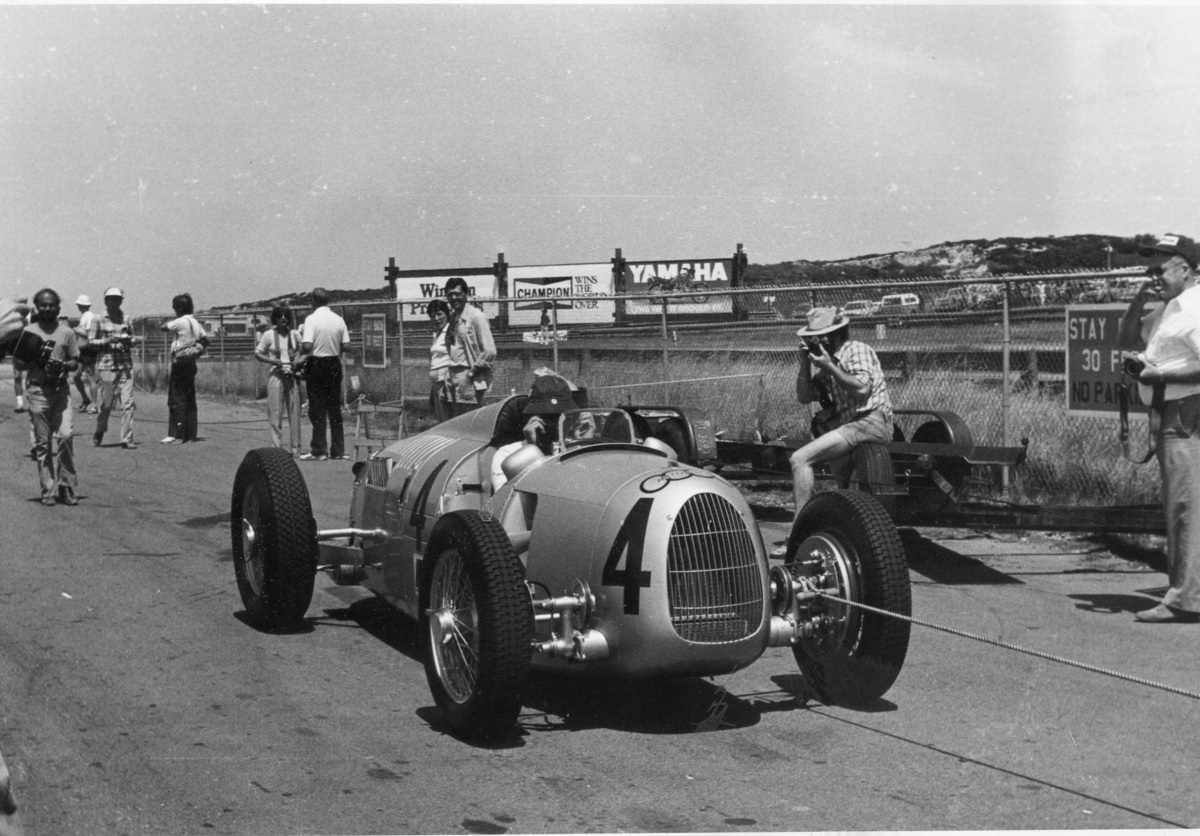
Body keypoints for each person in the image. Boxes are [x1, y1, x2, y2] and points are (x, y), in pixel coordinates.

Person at [1119, 233, 1200, 623]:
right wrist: (1140, 296)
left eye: (1161, 270)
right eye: (1149, 270)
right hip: (1173, 410)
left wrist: (1159, 375)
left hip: (1187, 410)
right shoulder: (1170, 308)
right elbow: (1124, 337)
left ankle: (1185, 600)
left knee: (1186, 507)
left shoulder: (1194, 308)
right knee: (1183, 505)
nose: (1154, 277)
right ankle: (1187, 594)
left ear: (1185, 269)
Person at [788, 306, 894, 522]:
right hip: (851, 426)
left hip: (869, 422)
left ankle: (799, 527)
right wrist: (805, 362)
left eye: (819, 337)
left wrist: (830, 367)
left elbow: (862, 389)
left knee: (800, 460)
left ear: (834, 335)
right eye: (811, 338)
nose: (816, 342)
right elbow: (805, 396)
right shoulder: (831, 363)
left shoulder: (855, 350)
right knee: (845, 485)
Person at [19, 289, 80, 506]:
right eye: (43, 305)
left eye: (51, 304)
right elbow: (19, 364)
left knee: (66, 436)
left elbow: (75, 361)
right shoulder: (28, 332)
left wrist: (63, 365)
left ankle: (66, 486)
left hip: (60, 391)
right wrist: (38, 360)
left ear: (58, 308)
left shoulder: (67, 332)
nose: (47, 308)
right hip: (38, 392)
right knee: (43, 444)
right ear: (37, 307)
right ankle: (48, 489)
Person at [490, 374, 577, 490]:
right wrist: (533, 449)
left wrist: (589, 446)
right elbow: (506, 498)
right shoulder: (507, 455)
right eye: (549, 417)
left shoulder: (575, 450)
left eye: (563, 417)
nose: (556, 424)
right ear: (533, 418)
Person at [296, 287, 350, 461]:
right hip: (334, 363)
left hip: (317, 364)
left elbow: (307, 346)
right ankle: (338, 450)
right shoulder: (339, 319)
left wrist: (300, 347)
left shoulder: (311, 319)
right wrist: (332, 345)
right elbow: (347, 346)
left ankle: (319, 450)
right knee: (334, 409)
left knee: (317, 408)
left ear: (313, 301)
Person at [87, 286, 142, 450]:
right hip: (107, 366)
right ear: (106, 301)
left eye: (118, 299)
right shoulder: (98, 319)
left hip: (125, 365)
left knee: (128, 403)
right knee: (107, 403)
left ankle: (127, 438)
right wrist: (107, 341)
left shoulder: (126, 319)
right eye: (112, 299)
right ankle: (100, 428)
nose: (115, 302)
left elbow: (132, 339)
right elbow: (91, 341)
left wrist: (129, 341)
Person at [254, 304, 303, 455]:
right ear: (275, 318)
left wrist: (299, 362)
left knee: (295, 413)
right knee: (275, 413)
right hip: (276, 375)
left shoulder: (295, 334)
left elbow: (305, 351)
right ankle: (276, 448)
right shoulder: (269, 334)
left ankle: (296, 448)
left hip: (292, 376)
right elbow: (258, 353)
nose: (283, 319)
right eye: (280, 316)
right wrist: (272, 361)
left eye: (286, 316)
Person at [443, 276, 497, 416]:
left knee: (468, 421)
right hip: (452, 376)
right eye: (450, 295)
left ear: (466, 294)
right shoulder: (454, 318)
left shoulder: (476, 317)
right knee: (456, 421)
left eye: (457, 294)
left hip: (468, 376)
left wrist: (471, 373)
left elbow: (490, 351)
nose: (454, 298)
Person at [159, 292, 207, 444]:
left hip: (179, 363)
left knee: (176, 398)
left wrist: (172, 322)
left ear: (178, 308)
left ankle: (177, 434)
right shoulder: (196, 322)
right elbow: (205, 338)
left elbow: (164, 327)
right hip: (191, 363)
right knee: (189, 397)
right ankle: (190, 433)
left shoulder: (180, 321)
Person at [426, 298, 453, 424]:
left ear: (447, 314)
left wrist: (448, 381)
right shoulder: (437, 334)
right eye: (433, 316)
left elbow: (454, 357)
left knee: (447, 421)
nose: (436, 318)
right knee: (440, 421)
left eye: (439, 314)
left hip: (445, 382)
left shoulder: (450, 332)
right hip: (436, 383)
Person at [71, 294, 98, 413]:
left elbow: (90, 335)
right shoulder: (84, 316)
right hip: (82, 350)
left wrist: (76, 330)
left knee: (90, 377)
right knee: (76, 376)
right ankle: (86, 399)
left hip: (88, 350)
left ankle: (94, 404)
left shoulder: (89, 316)